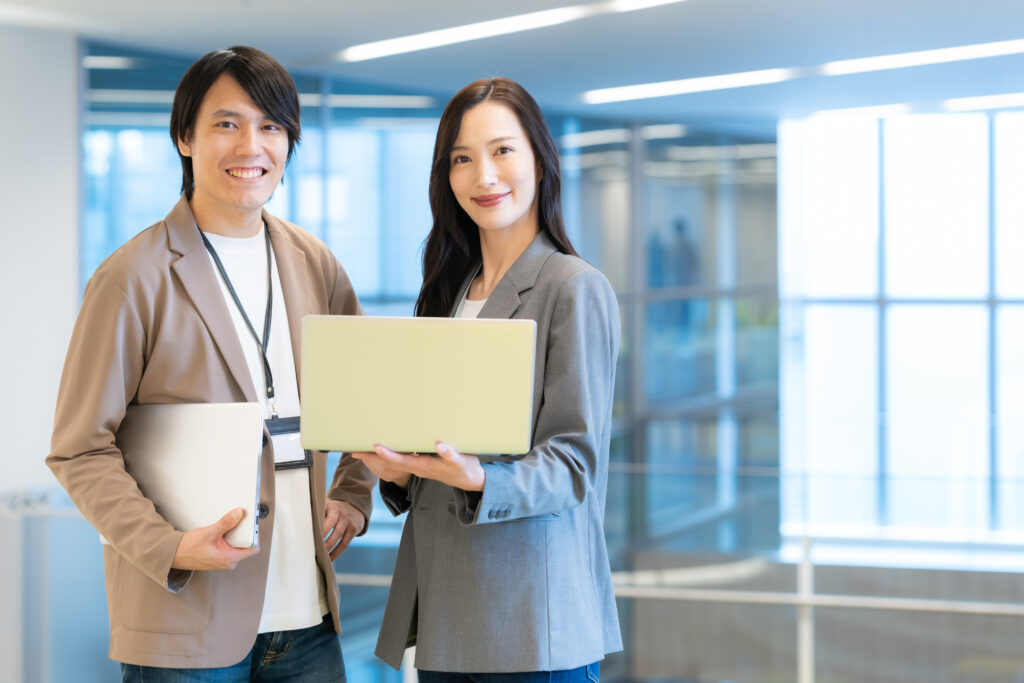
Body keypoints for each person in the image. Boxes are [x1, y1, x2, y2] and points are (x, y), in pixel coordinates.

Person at [47, 46, 374, 681]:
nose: (250, 145)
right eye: (227, 124)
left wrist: (355, 494)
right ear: (184, 138)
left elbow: (369, 396)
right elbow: (79, 450)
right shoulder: (132, 278)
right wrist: (166, 547)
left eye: (271, 126)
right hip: (185, 625)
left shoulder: (315, 262)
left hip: (307, 620)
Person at [353, 77, 623, 681]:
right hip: (447, 619)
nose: (484, 176)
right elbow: (438, 442)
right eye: (462, 159)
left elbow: (575, 464)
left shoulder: (572, 287)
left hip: (531, 624)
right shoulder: (450, 291)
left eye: (503, 150)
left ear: (539, 160)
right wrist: (400, 471)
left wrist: (479, 478)